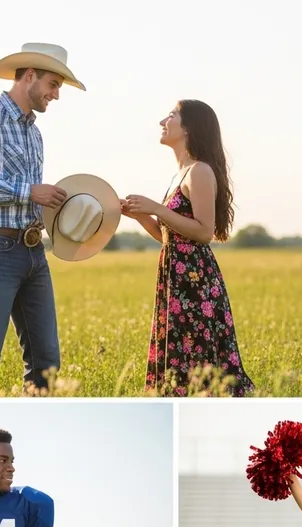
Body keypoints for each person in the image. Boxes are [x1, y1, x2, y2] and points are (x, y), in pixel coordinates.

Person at [0, 43, 85, 397]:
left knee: (47, 365)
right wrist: (29, 191)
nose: (56, 95)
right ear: (30, 76)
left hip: (33, 252)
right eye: (53, 85)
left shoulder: (34, 133)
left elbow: (33, 197)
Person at [122, 99, 254, 397]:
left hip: (196, 281)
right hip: (175, 276)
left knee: (200, 355)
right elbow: (172, 237)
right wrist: (141, 215)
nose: (162, 121)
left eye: (171, 115)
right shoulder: (178, 176)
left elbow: (204, 232)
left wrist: (157, 208)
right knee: (181, 352)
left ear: (189, 128)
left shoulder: (200, 171)